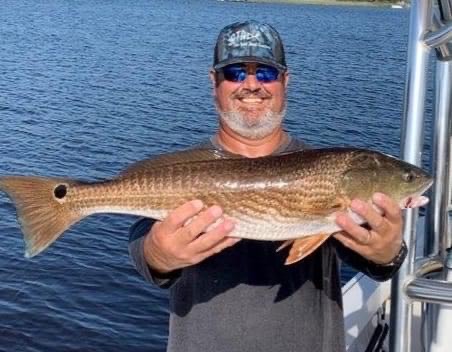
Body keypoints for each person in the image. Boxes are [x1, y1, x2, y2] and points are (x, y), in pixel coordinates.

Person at [129, 21, 407, 352]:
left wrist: (387, 252)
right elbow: (145, 248)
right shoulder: (182, 169)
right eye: (234, 72)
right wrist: (157, 254)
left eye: (265, 74)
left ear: (285, 82)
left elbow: (373, 263)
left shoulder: (325, 170)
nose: (251, 85)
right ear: (213, 82)